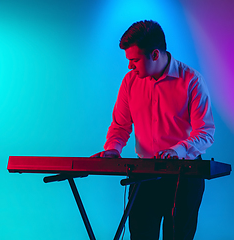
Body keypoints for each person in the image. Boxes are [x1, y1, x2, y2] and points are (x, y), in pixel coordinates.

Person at [92, 20, 215, 240]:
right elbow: (120, 125)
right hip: (144, 175)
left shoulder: (192, 81)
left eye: (135, 60)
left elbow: (205, 132)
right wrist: (112, 149)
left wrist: (177, 151)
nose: (130, 66)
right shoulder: (130, 82)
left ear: (155, 54)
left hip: (184, 176)